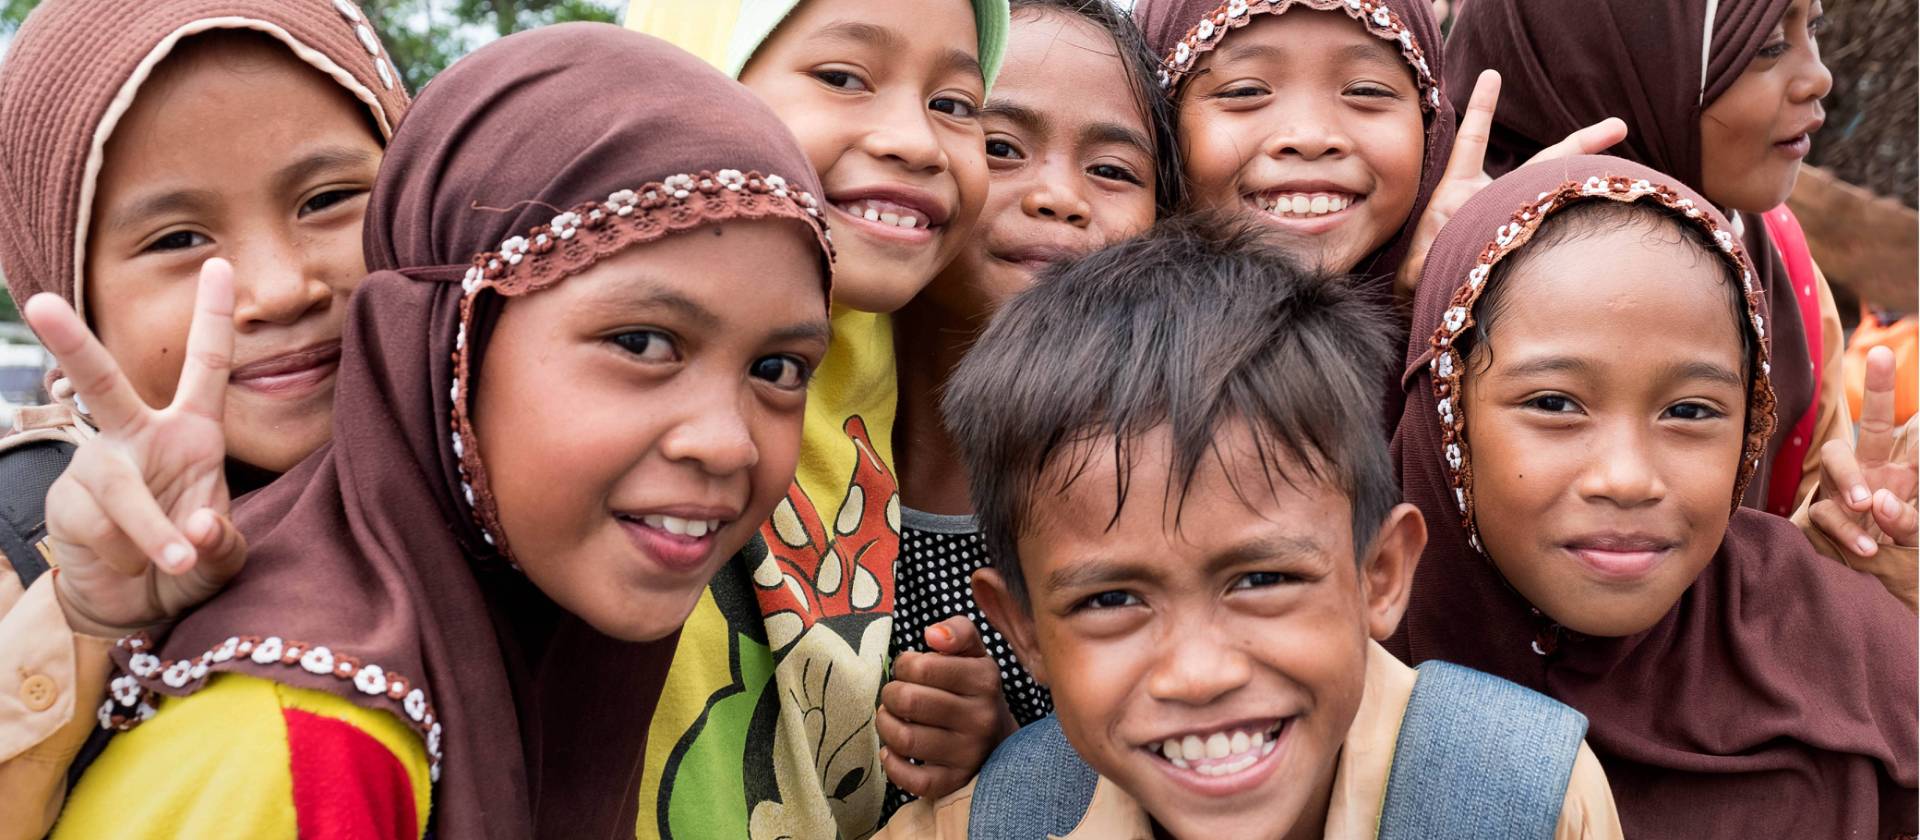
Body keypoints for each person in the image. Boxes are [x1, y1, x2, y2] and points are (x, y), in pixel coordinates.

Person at [33, 24, 836, 838]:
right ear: (445, 325)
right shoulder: (298, 731)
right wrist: (80, 619)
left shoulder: (566, 574)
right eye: (640, 343)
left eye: (779, 370)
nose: (279, 289)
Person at [878, 217, 1622, 839]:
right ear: (1025, 630)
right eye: (1111, 600)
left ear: (1381, 575)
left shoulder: (1525, 800)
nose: (1200, 675)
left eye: (1263, 580)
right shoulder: (984, 824)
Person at [1391, 154, 1918, 837]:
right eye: (1555, 403)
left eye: (1691, 412)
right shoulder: (1334, 674)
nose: (1628, 478)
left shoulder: (1854, 658)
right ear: (1446, 412)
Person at [0, 2, 408, 835]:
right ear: (71, 290)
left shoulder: (533, 481)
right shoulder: (20, 542)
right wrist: (79, 622)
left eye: (328, 198)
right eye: (179, 237)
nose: (278, 288)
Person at [624, 1, 1011, 834]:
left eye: (955, 104)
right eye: (843, 78)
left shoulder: (880, 354)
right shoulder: (581, 358)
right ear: (689, 78)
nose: (915, 139)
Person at [1442, 0, 1916, 598]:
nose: (1819, 76)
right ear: (1610, 62)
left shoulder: (1783, 271)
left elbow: (1795, 532)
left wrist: (1829, 558)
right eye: (1767, 46)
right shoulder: (1421, 277)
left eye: (1812, 30)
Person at [883, 0, 1178, 810]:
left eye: (1113, 170)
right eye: (1000, 148)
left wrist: (1006, 756)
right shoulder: (780, 442)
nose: (1058, 196)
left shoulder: (1154, 494)